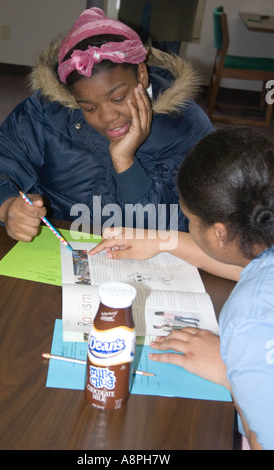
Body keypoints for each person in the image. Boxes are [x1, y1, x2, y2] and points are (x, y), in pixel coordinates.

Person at [92, 127, 274, 449]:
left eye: (189, 218)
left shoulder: (251, 319)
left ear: (220, 232)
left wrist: (229, 371)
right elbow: (246, 262)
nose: (186, 223)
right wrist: (163, 240)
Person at [0, 7, 213, 242]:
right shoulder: (46, 113)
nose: (108, 117)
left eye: (118, 98)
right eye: (88, 107)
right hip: (58, 254)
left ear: (141, 74)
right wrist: (4, 206)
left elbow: (192, 229)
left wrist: (126, 163)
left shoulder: (185, 126)